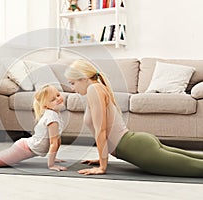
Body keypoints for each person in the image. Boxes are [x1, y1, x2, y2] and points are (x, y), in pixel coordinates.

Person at [64, 59, 203, 177]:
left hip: (138, 150)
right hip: (137, 144)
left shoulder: (93, 90)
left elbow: (101, 131)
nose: (72, 89)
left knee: (196, 168)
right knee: (195, 160)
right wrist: (101, 158)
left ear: (83, 78)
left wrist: (102, 167)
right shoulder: (97, 88)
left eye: (72, 83)